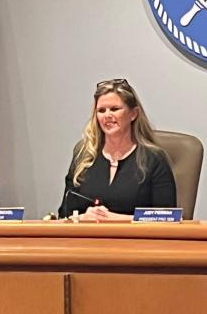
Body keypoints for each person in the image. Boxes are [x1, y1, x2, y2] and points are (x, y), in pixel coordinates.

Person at [59, 78, 176, 221]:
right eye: (101, 110)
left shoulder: (154, 159)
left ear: (133, 114)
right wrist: (82, 218)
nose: (107, 115)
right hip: (88, 240)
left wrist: (116, 219)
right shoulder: (83, 155)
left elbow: (167, 217)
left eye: (114, 109)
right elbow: (64, 215)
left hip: (137, 241)